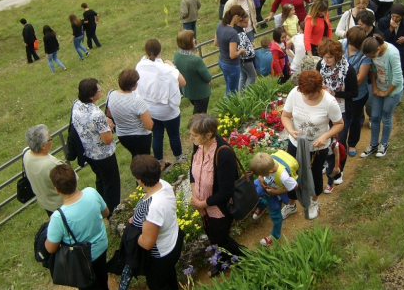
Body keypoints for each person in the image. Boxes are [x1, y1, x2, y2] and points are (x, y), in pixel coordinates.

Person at [280, 70, 343, 220]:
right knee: (291, 174)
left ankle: (314, 202)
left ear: (320, 88)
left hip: (317, 147)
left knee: (315, 175)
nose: (308, 97)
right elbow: (286, 116)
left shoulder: (329, 102)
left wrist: (325, 135)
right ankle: (291, 204)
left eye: (312, 94)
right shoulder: (294, 93)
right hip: (296, 143)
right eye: (305, 94)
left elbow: (339, 124)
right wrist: (290, 130)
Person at [188, 114, 245, 278]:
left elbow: (226, 192)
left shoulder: (223, 153)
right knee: (212, 236)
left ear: (208, 135)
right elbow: (193, 173)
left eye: (194, 135)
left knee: (222, 238)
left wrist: (202, 204)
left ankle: (246, 259)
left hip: (219, 208)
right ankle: (222, 261)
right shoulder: (198, 145)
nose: (191, 138)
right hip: (203, 205)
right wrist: (196, 198)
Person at [45, 164, 109, 290]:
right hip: (101, 247)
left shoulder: (59, 217)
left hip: (81, 259)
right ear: (76, 180)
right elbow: (106, 213)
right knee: (102, 278)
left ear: (57, 189)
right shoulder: (91, 192)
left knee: (87, 285)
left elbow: (51, 248)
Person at [126, 155, 184, 290]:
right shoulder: (164, 185)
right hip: (174, 239)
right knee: (169, 276)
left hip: (161, 255)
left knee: (157, 284)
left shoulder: (153, 207)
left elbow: (147, 243)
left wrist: (132, 233)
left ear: (140, 180)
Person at [72, 78, 121, 216]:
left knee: (100, 180)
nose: (101, 90)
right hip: (103, 155)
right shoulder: (97, 114)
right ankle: (113, 212)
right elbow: (107, 140)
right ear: (91, 96)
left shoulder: (77, 105)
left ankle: (101, 206)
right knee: (111, 184)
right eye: (98, 89)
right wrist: (109, 127)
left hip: (88, 152)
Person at [136, 39, 186, 169]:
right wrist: (172, 66)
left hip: (150, 109)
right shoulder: (166, 68)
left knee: (157, 136)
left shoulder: (139, 66)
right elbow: (182, 82)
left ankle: (159, 162)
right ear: (160, 51)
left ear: (146, 52)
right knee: (174, 135)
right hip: (168, 109)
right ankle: (179, 158)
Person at [316, 38, 358, 187]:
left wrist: (335, 94)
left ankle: (339, 170)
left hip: (342, 111)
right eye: (324, 56)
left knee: (339, 142)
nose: (325, 60)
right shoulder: (320, 65)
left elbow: (354, 92)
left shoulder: (348, 70)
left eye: (329, 57)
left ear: (337, 56)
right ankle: (327, 165)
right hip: (324, 110)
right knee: (325, 141)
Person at [360, 35, 404, 158]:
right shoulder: (373, 53)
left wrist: (386, 93)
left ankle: (384, 144)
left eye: (372, 56)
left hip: (393, 91)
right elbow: (373, 70)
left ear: (378, 49)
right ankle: (373, 144)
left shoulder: (392, 53)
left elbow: (398, 78)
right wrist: (374, 87)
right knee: (374, 117)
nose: (371, 58)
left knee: (386, 117)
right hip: (379, 88)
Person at [250, 151, 298, 246]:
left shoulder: (283, 176)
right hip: (267, 183)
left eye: (260, 174)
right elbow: (262, 174)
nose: (259, 175)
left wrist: (275, 192)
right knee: (251, 193)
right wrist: (260, 177)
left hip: (275, 192)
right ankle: (263, 205)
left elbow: (295, 186)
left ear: (270, 172)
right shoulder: (269, 161)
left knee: (275, 215)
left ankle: (275, 236)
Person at [106, 69, 153, 159]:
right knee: (144, 160)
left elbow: (110, 113)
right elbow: (149, 126)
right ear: (133, 86)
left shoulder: (111, 94)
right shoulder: (137, 101)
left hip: (122, 135)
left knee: (135, 156)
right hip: (140, 136)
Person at [340, 26, 372, 158]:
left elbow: (359, 79)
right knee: (340, 119)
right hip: (341, 94)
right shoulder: (341, 45)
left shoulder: (365, 55)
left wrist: (338, 84)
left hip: (357, 95)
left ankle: (352, 143)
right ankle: (339, 144)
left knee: (354, 120)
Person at [24, 124, 64, 217]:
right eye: (50, 139)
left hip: (45, 203)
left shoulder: (26, 153)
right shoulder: (52, 164)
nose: (51, 140)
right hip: (60, 205)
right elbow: (73, 179)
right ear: (43, 146)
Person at [174, 30, 212, 114]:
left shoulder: (177, 55)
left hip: (188, 92)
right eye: (193, 39)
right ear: (189, 42)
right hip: (201, 94)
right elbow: (208, 77)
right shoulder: (196, 60)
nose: (195, 39)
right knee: (198, 118)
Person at [378, 3, 404, 89]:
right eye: (393, 16)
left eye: (397, 17)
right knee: (388, 68)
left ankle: (401, 86)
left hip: (401, 49)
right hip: (387, 49)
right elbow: (381, 38)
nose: (394, 19)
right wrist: (390, 29)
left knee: (401, 67)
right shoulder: (383, 22)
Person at [214, 5, 246, 96]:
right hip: (231, 65)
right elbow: (233, 55)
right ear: (236, 17)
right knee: (232, 92)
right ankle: (231, 108)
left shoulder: (219, 25)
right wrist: (240, 51)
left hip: (222, 61)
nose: (240, 21)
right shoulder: (232, 33)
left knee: (228, 86)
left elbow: (216, 43)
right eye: (240, 19)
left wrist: (225, 47)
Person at [234, 12, 257, 90]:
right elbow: (241, 48)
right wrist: (250, 49)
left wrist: (250, 44)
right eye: (245, 22)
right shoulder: (240, 33)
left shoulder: (237, 30)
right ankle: (247, 94)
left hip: (241, 59)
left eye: (248, 22)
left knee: (243, 76)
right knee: (252, 76)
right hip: (246, 59)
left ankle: (241, 96)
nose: (247, 24)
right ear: (238, 22)